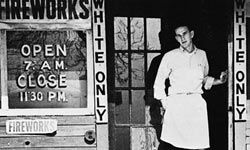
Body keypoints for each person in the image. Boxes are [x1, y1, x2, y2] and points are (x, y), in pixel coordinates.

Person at [153, 23, 228, 150]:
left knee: (198, 147)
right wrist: (167, 104)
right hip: (177, 105)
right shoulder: (170, 56)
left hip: (196, 106)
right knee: (174, 146)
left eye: (185, 34)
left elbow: (203, 79)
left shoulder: (202, 55)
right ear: (176, 39)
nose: (182, 38)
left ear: (191, 34)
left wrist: (220, 81)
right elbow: (158, 83)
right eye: (178, 36)